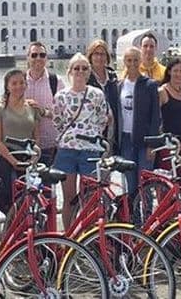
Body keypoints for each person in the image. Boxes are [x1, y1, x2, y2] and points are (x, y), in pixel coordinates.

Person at [52, 53, 111, 228]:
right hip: (67, 150)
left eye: (84, 68)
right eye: (76, 68)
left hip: (90, 150)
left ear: (89, 72)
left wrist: (90, 134)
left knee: (90, 197)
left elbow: (103, 118)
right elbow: (57, 121)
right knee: (69, 198)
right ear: (70, 71)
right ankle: (70, 237)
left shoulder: (96, 94)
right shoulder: (61, 96)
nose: (80, 71)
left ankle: (88, 236)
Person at [0, 69, 41, 213]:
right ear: (7, 86)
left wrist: (33, 157)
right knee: (10, 201)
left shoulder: (32, 108)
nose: (18, 86)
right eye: (14, 83)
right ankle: (8, 230)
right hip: (7, 159)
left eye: (21, 83)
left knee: (30, 200)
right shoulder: (0, 109)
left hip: (28, 158)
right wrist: (13, 161)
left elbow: (36, 137)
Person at [117, 47, 161, 198]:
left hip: (144, 140)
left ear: (140, 61)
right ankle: (133, 218)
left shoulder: (150, 85)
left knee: (145, 180)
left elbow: (156, 117)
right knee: (130, 182)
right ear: (124, 62)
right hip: (126, 139)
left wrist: (152, 145)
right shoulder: (119, 85)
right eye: (129, 60)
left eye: (136, 60)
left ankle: (147, 217)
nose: (133, 63)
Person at [24, 42, 64, 166]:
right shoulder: (19, 81)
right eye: (34, 55)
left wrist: (43, 111)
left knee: (48, 184)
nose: (38, 58)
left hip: (50, 144)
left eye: (42, 55)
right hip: (25, 145)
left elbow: (64, 115)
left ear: (46, 58)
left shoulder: (56, 81)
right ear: (28, 58)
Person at [85, 39, 119, 145]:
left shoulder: (112, 76)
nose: (99, 57)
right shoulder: (86, 77)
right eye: (96, 54)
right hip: (94, 129)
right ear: (90, 56)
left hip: (113, 127)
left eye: (102, 54)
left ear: (107, 57)